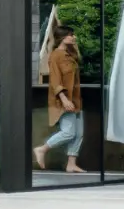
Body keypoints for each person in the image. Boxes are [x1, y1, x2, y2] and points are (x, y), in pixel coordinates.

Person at [36, 25, 87, 173]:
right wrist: (64, 99)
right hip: (64, 100)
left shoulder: (70, 54)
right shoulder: (55, 56)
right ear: (63, 37)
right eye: (71, 35)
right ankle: (42, 149)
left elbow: (78, 59)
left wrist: (74, 45)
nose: (74, 37)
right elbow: (55, 81)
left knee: (78, 133)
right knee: (69, 132)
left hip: (76, 100)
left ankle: (71, 164)